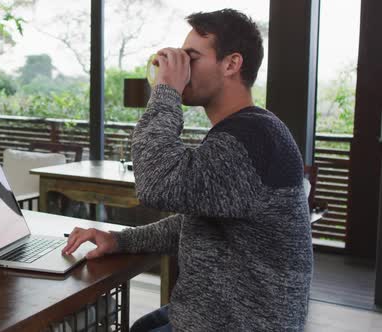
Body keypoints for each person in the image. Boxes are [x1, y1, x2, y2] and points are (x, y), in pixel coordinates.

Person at [62, 8, 313, 332]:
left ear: (231, 64)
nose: (180, 66)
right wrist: (119, 240)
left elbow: (157, 183)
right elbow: (197, 221)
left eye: (190, 57)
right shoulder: (246, 130)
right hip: (216, 311)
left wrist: (166, 90)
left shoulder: (253, 138)